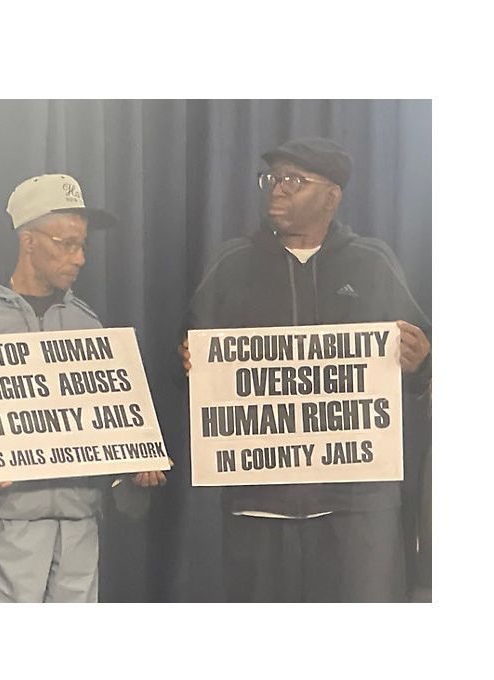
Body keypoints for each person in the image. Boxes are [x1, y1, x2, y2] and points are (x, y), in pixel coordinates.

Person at [181, 136, 432, 602]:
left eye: (294, 181)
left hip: (356, 509)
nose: (278, 189)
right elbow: (191, 362)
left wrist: (421, 364)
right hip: (259, 505)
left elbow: (426, 363)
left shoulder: (372, 262)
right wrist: (188, 364)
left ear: (332, 196)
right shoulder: (232, 263)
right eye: (272, 179)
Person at [0, 173, 166, 603]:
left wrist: (133, 463)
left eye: (83, 245)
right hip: (7, 525)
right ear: (28, 241)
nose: (80, 258)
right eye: (67, 244)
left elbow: (105, 425)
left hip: (81, 527)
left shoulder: (88, 323)